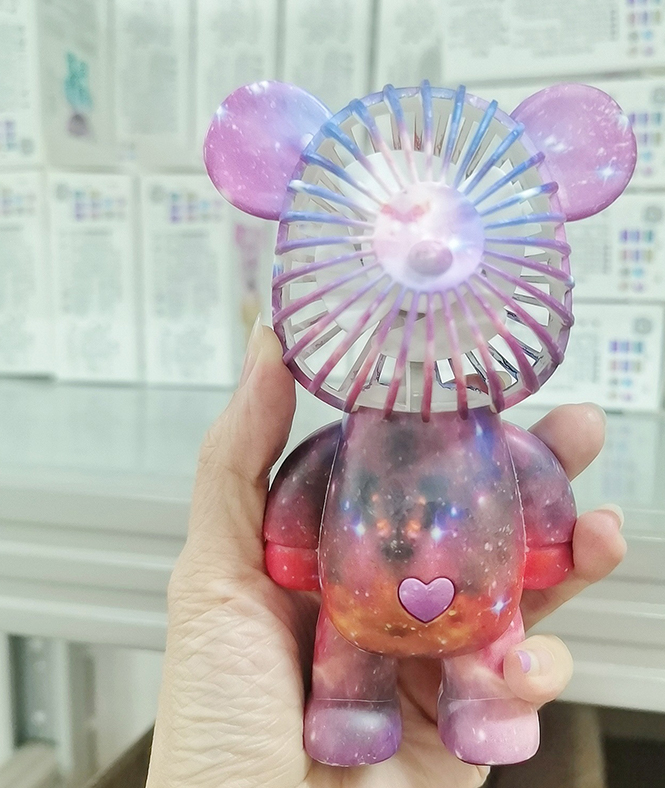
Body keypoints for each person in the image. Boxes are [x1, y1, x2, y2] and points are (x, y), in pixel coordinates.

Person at [145, 323, 626, 788]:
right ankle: (352, 707)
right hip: (362, 605)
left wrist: (543, 548)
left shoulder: (488, 433)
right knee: (352, 656)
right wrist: (295, 551)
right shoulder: (357, 435)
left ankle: (485, 705)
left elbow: (534, 475)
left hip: (462, 605)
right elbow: (310, 476)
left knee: (482, 657)